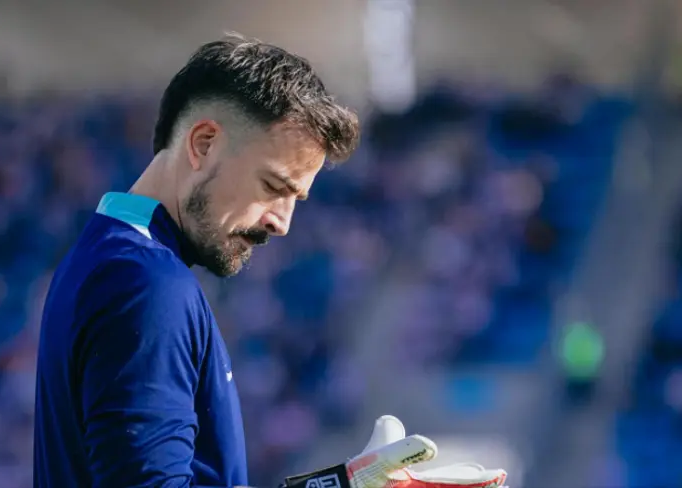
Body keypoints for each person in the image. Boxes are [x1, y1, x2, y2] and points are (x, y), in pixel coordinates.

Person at [33, 33, 507, 488]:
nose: (282, 223)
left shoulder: (101, 255)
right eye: (274, 186)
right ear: (204, 143)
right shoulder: (147, 283)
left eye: (296, 198)